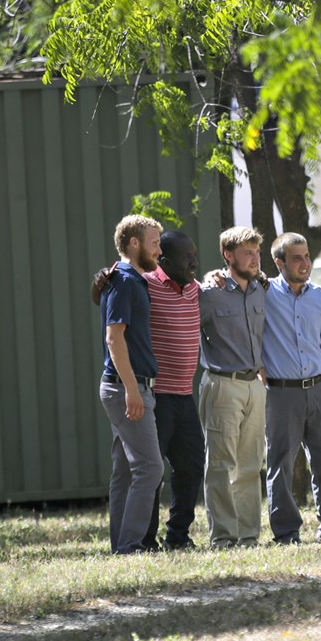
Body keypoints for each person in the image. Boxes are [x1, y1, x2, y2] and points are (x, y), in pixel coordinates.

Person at [92, 231, 206, 551]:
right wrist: (100, 280)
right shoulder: (146, 284)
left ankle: (178, 535)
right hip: (156, 394)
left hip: (184, 394)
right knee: (148, 470)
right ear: (165, 262)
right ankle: (143, 540)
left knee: (191, 465)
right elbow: (110, 302)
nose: (194, 262)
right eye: (188, 257)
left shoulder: (198, 290)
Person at [262, 232, 321, 544]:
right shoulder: (263, 294)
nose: (305, 263)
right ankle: (286, 532)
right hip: (281, 392)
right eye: (296, 258)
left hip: (319, 389)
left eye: (307, 256)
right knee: (280, 463)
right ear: (279, 262)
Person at [198, 226, 268, 548]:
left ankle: (249, 535)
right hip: (222, 385)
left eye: (256, 252)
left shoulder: (260, 289)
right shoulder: (208, 294)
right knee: (221, 465)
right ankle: (224, 537)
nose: (254, 259)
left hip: (254, 386)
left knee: (251, 465)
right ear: (228, 256)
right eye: (247, 254)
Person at [99, 215, 165, 554]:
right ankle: (130, 545)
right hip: (128, 385)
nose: (159, 249)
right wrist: (132, 389)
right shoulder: (124, 281)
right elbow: (114, 338)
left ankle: (122, 545)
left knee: (126, 471)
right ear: (134, 243)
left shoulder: (131, 279)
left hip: (129, 385)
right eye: (154, 243)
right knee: (150, 467)